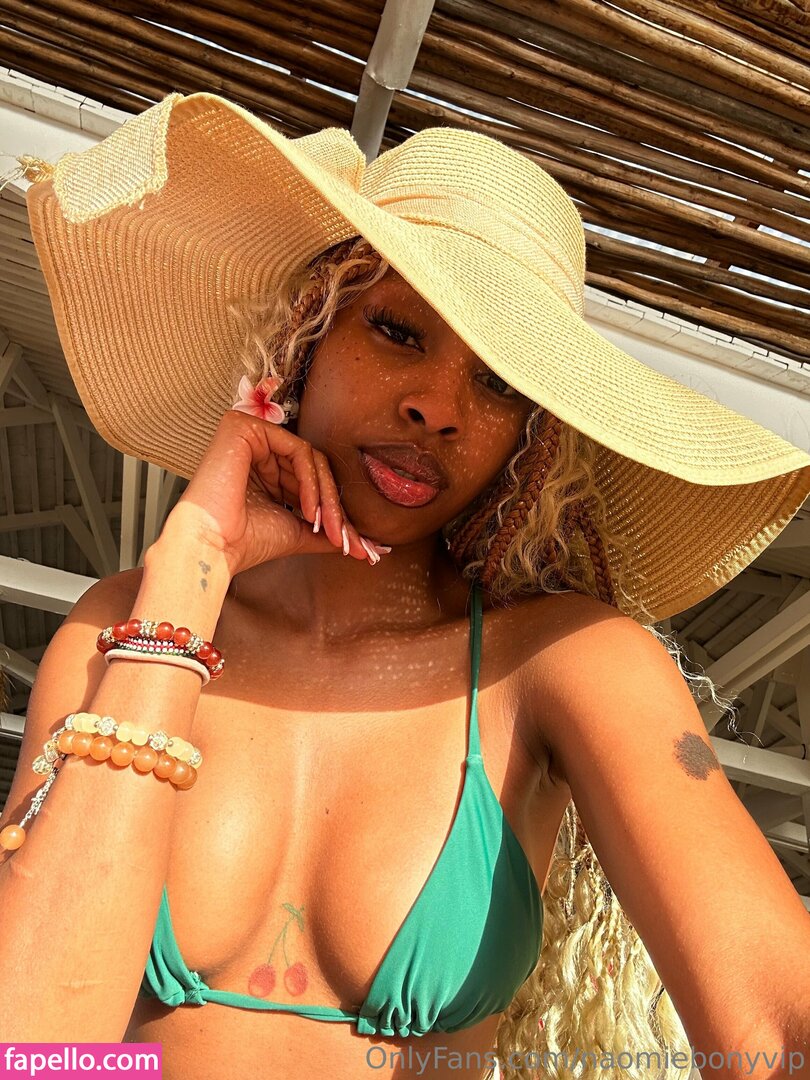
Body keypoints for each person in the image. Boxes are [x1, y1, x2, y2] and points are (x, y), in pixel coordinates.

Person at [1, 91, 809, 1080]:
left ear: (529, 438)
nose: (437, 407)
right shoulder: (122, 627)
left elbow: (776, 1025)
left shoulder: (564, 664)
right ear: (307, 333)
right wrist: (188, 569)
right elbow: (33, 1046)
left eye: (499, 382)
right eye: (396, 330)